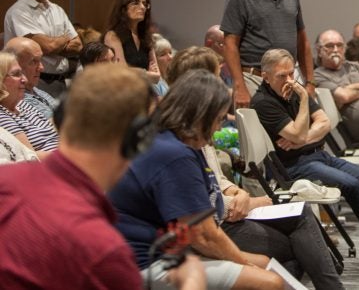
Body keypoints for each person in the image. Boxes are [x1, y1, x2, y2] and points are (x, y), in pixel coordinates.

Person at [0, 63, 206, 289]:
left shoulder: (6, 178)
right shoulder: (103, 251)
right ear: (136, 140)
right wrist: (192, 280)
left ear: (61, 118)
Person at [164, 46, 344, 289]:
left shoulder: (194, 131)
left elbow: (214, 179)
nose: (223, 85)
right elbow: (202, 220)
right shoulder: (180, 144)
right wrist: (247, 202)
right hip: (211, 229)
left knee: (301, 217)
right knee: (299, 244)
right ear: (198, 87)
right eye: (217, 77)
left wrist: (236, 191)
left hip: (224, 214)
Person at [108, 69, 285, 290]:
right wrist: (245, 264)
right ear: (201, 116)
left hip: (161, 251)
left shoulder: (166, 140)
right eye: (219, 119)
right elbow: (202, 235)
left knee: (266, 263)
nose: (219, 127)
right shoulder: (174, 154)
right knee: (270, 282)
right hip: (144, 263)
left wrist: (245, 262)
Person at [252, 48, 359, 275]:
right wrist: (304, 100)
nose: (289, 80)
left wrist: (303, 138)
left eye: (291, 73)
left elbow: (323, 123)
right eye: (282, 76)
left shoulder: (293, 88)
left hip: (319, 155)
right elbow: (296, 133)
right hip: (293, 166)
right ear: (265, 76)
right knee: (351, 185)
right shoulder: (263, 102)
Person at [219, 0, 315, 109]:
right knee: (263, 135)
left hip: (288, 79)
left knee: (296, 132)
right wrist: (239, 86)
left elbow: (303, 41)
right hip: (254, 79)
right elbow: (230, 44)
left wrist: (310, 82)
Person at [3, 0, 83, 97]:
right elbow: (46, 48)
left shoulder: (57, 10)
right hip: (33, 82)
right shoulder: (18, 11)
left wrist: (53, 46)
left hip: (62, 80)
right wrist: (64, 38)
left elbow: (78, 46)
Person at [0, 51, 59, 156]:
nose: (25, 80)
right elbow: (30, 157)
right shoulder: (2, 115)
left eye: (22, 73)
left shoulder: (21, 104)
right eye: (17, 74)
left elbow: (52, 131)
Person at [103, 0, 161, 84]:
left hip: (145, 90)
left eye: (144, 4)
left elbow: (157, 77)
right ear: (123, 9)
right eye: (136, 3)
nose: (142, 7)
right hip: (124, 91)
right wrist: (147, 73)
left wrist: (135, 72)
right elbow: (122, 72)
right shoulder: (113, 35)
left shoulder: (146, 37)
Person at [4, 36, 58, 120]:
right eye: (33, 61)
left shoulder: (37, 90)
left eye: (40, 60)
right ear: (14, 63)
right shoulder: (16, 101)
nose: (41, 68)